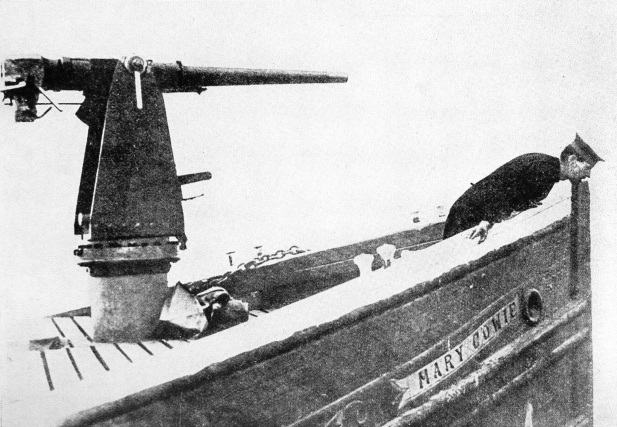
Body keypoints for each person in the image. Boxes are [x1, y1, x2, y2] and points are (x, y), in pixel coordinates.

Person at [443, 134, 603, 243]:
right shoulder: (543, 170)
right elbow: (501, 191)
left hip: (474, 214)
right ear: (573, 160)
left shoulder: (547, 170)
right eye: (587, 168)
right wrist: (487, 220)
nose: (588, 175)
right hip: (468, 216)